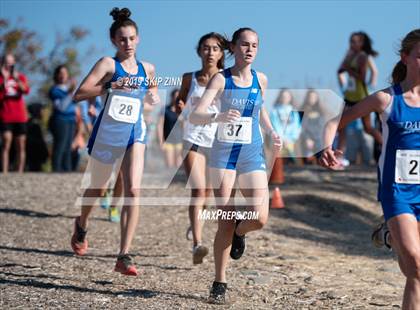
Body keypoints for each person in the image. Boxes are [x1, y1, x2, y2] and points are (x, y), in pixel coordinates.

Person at [319, 29, 420, 309]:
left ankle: (389, 236)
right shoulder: (386, 100)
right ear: (406, 58)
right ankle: (393, 232)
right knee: (416, 266)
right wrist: (326, 147)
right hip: (397, 192)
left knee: (412, 268)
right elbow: (334, 122)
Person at [190, 27, 282, 304]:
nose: (250, 49)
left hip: (252, 153)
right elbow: (196, 115)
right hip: (224, 156)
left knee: (260, 216)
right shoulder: (221, 79)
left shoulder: (260, 79)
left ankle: (242, 232)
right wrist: (217, 116)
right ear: (234, 48)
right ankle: (220, 281)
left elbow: (260, 107)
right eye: (244, 44)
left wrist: (271, 130)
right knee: (225, 220)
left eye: (255, 45)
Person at [70, 7, 159, 276]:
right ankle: (82, 223)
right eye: (122, 39)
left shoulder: (148, 67)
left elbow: (151, 88)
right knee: (97, 189)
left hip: (135, 133)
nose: (128, 44)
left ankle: (124, 255)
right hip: (108, 134)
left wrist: (153, 97)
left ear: (139, 38)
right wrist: (110, 87)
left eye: (132, 38)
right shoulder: (108, 65)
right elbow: (79, 93)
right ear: (113, 41)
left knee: (133, 191)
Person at [177, 32, 227, 265]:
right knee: (198, 190)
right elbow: (178, 102)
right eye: (206, 48)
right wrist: (180, 106)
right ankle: (197, 244)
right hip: (193, 138)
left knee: (207, 193)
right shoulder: (189, 78)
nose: (210, 52)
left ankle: (195, 222)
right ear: (199, 51)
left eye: (215, 48)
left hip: (217, 141)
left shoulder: (227, 79)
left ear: (221, 53)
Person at [337, 31, 382, 166]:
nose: (353, 44)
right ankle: (340, 155)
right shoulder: (350, 55)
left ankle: (387, 144)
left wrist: (371, 84)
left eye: (356, 41)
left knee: (368, 128)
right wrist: (343, 83)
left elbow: (362, 77)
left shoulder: (363, 56)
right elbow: (340, 70)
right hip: (349, 95)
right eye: (351, 41)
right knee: (341, 125)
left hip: (361, 96)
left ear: (362, 43)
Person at [0, 53, 30, 173]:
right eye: (7, 62)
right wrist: (5, 78)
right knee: (6, 143)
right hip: (5, 115)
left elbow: (26, 90)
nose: (9, 65)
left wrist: (16, 78)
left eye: (11, 62)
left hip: (20, 116)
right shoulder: (1, 78)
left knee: (21, 145)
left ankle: (20, 171)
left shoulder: (20, 77)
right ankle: (5, 171)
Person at [48, 65, 78, 172]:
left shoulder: (68, 90)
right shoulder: (55, 90)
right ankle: (56, 169)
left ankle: (67, 170)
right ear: (56, 75)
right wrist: (70, 93)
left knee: (68, 147)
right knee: (60, 146)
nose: (63, 76)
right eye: (60, 73)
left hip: (71, 120)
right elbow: (61, 107)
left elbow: (75, 104)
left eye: (65, 73)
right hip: (60, 120)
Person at [269, 88, 301, 164]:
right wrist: (282, 139)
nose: (285, 98)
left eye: (287, 96)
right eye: (283, 96)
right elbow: (275, 125)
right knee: (278, 166)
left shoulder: (294, 112)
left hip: (292, 143)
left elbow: (297, 127)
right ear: (280, 97)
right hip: (278, 141)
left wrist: (291, 139)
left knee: (294, 165)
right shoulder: (274, 111)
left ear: (290, 98)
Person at [157, 88, 183, 168]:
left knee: (179, 166)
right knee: (169, 165)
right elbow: (159, 126)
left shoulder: (183, 111)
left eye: (178, 97)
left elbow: (186, 126)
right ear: (171, 97)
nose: (176, 99)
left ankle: (177, 181)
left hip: (180, 142)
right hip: (168, 141)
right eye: (175, 97)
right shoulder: (165, 110)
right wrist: (161, 141)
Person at [299, 89, 325, 163]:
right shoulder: (302, 111)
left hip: (318, 140)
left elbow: (322, 128)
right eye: (310, 97)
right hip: (306, 140)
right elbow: (301, 128)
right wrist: (307, 139)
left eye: (314, 97)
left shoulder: (321, 111)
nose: (312, 99)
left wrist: (316, 139)